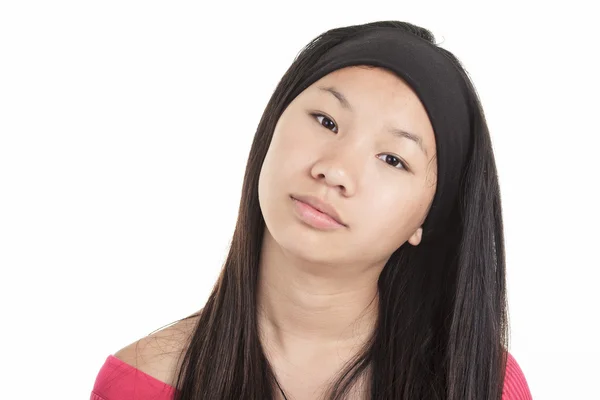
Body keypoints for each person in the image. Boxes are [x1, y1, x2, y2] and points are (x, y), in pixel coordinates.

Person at [90, 20, 532, 400]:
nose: (335, 170)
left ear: (427, 217)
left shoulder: (477, 383)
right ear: (272, 127)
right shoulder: (141, 381)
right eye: (326, 121)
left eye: (393, 159)